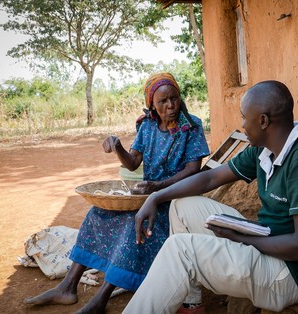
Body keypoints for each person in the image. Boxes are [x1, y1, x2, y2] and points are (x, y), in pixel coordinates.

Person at [124, 80, 298, 314]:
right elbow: (209, 179)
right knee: (181, 206)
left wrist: (241, 238)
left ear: (264, 121)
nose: (242, 124)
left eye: (245, 117)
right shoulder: (264, 149)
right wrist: (156, 196)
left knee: (180, 250)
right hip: (266, 241)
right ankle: (192, 303)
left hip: (288, 274)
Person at [24, 72, 210, 313]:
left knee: (134, 227)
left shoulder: (191, 126)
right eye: (163, 101)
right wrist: (118, 147)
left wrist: (157, 187)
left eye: (174, 98)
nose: (170, 105)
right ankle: (68, 287)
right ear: (152, 104)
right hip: (148, 197)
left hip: (174, 200)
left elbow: (193, 170)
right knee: (97, 214)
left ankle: (100, 300)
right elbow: (132, 163)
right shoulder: (148, 126)